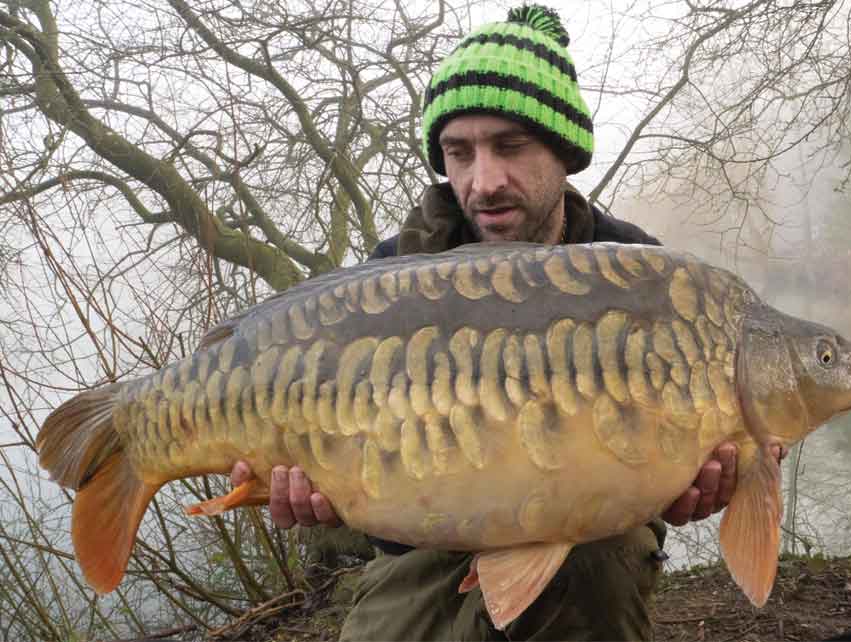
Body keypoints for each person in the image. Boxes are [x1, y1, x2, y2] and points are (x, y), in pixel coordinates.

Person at [231, 5, 751, 639]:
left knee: (596, 571)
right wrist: (317, 499)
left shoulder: (644, 277)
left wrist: (687, 484)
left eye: (510, 146)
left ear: (563, 153)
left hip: (595, 539)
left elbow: (667, 448)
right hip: (422, 547)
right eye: (460, 152)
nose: (484, 181)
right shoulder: (390, 278)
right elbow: (363, 479)